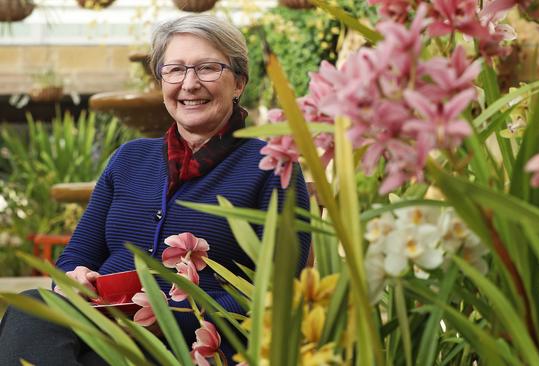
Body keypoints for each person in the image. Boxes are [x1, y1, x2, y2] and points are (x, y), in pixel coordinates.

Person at [0, 14, 311, 365]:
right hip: (105, 318)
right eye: (174, 69)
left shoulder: (269, 164)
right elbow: (77, 256)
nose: (189, 84)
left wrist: (172, 317)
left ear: (239, 83)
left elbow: (278, 284)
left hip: (193, 340)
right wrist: (76, 278)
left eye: (208, 68)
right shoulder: (129, 157)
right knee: (31, 308)